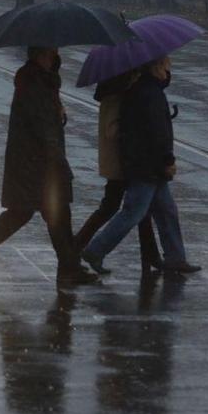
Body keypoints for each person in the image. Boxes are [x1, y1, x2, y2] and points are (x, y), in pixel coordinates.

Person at [0, 47, 98, 289]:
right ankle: (67, 268)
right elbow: (42, 126)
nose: (56, 53)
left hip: (33, 162)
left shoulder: (41, 80)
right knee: (42, 213)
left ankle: (67, 267)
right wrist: (57, 160)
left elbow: (44, 119)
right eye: (53, 50)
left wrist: (58, 107)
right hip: (37, 163)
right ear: (43, 53)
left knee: (47, 214)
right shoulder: (35, 82)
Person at [81, 57, 200, 275]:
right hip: (146, 166)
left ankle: (176, 257)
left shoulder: (144, 89)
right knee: (132, 212)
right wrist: (168, 160)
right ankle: (95, 250)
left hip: (144, 164)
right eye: (166, 66)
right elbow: (157, 133)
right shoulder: (150, 94)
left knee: (167, 210)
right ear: (155, 67)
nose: (169, 70)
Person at [74, 70, 163, 275]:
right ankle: (77, 249)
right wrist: (136, 123)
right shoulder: (115, 93)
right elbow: (112, 130)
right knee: (113, 207)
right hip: (119, 161)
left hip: (126, 159)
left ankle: (151, 256)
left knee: (141, 208)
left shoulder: (123, 89)